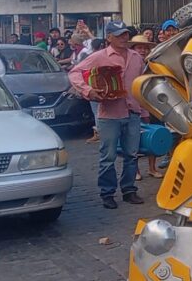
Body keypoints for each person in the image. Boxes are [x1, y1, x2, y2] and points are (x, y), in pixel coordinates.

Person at [68, 21, 145, 209]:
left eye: (126, 34)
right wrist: (88, 91)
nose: (124, 38)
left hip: (133, 112)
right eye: (119, 35)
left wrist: (144, 110)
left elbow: (142, 83)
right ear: (109, 37)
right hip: (110, 114)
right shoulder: (99, 56)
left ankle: (129, 190)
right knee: (108, 156)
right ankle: (107, 193)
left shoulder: (136, 57)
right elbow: (75, 72)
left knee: (132, 154)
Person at [128, 34, 163, 180]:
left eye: (145, 48)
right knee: (134, 138)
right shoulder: (128, 63)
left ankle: (152, 168)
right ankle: (135, 170)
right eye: (139, 47)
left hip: (151, 104)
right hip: (135, 104)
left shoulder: (153, 63)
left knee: (153, 136)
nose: (142, 50)